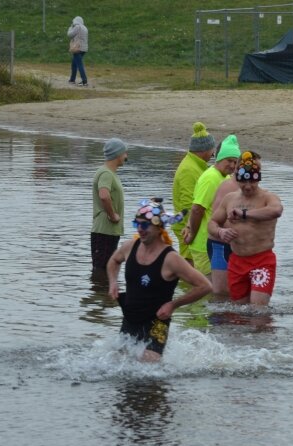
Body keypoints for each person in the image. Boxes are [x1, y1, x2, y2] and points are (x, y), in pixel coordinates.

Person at [107, 199, 212, 362]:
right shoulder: (130, 247)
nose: (140, 230)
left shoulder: (171, 259)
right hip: (130, 318)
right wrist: (113, 282)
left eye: (145, 225)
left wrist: (173, 305)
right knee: (119, 367)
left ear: (159, 227)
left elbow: (205, 286)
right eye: (137, 224)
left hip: (158, 323)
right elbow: (113, 260)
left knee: (149, 372)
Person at [208, 151, 283, 305]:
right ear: (237, 177)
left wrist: (244, 214)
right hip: (236, 261)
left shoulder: (268, 197)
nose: (248, 187)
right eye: (243, 182)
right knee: (239, 313)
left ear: (258, 177)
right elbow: (212, 223)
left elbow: (276, 211)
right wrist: (220, 232)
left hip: (262, 260)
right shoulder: (230, 198)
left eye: (252, 182)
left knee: (257, 310)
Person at [183, 134, 240, 279]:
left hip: (218, 243)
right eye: (229, 161)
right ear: (219, 158)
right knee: (206, 289)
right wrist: (192, 234)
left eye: (235, 162)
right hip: (203, 244)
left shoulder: (225, 177)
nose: (232, 166)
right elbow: (197, 209)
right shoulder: (210, 178)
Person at [207, 151, 261, 296]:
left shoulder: (253, 190)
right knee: (221, 293)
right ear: (240, 167)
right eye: (255, 168)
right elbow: (215, 218)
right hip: (220, 245)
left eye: (259, 170)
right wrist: (224, 231)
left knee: (240, 293)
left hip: (239, 247)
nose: (257, 172)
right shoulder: (228, 187)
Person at [171, 122, 217, 266]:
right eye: (212, 150)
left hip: (195, 226)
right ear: (203, 150)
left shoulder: (196, 165)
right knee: (191, 270)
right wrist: (190, 231)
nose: (213, 154)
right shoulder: (189, 170)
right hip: (187, 228)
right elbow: (187, 205)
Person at [91, 137, 127, 272]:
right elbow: (104, 195)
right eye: (124, 153)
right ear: (117, 154)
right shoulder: (106, 173)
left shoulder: (109, 173)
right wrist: (112, 216)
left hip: (108, 231)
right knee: (102, 271)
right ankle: (101, 293)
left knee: (106, 269)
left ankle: (103, 292)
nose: (126, 156)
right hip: (104, 231)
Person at [67, 16, 89, 87]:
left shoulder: (77, 27)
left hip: (77, 48)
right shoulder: (84, 27)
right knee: (74, 63)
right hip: (84, 49)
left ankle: (84, 81)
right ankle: (72, 79)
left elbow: (69, 35)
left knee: (79, 65)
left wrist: (70, 27)